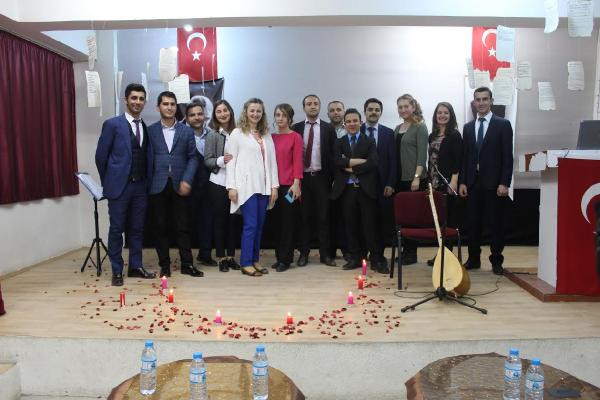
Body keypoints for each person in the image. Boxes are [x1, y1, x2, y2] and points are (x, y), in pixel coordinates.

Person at [95, 83, 156, 286]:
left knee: (137, 229)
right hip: (119, 188)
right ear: (126, 100)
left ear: (144, 102)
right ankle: (117, 270)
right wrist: (109, 182)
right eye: (134, 98)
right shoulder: (112, 124)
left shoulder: (145, 127)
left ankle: (135, 267)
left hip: (140, 187)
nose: (137, 102)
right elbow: (100, 157)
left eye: (141, 99)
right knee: (116, 229)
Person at [459, 87, 513, 275]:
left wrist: (504, 182)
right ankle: (473, 259)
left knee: (495, 224)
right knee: (472, 224)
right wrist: (463, 181)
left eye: (485, 99)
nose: (481, 103)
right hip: (472, 183)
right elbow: (465, 157)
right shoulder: (468, 127)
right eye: (478, 99)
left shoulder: (503, 125)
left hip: (495, 184)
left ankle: (496, 261)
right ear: (474, 102)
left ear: (491, 101)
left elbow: (507, 157)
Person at [147, 91, 201, 278]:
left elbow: (193, 157)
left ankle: (187, 264)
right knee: (160, 226)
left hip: (180, 184)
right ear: (158, 107)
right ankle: (164, 264)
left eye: (172, 104)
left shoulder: (186, 131)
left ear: (176, 107)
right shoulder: (150, 131)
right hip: (157, 185)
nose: (169, 107)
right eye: (165, 104)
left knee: (183, 226)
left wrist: (187, 179)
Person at [226, 98, 279, 277]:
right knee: (250, 225)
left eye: (258, 111)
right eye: (252, 110)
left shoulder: (266, 134)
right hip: (246, 187)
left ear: (262, 114)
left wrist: (274, 186)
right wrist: (231, 187)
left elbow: (272, 162)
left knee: (260, 226)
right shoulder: (237, 133)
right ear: (246, 112)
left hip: (264, 187)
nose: (255, 114)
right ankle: (246, 262)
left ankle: (255, 260)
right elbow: (230, 161)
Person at [331, 109, 385, 271]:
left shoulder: (369, 141)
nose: (352, 124)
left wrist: (349, 164)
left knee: (370, 226)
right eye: (348, 121)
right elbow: (337, 162)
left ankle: (376, 259)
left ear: (360, 123)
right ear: (344, 124)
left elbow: (373, 162)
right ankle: (355, 258)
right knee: (350, 225)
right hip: (347, 190)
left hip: (365, 189)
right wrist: (360, 161)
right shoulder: (339, 142)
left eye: (355, 121)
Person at [292, 94, 337, 267]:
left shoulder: (328, 128)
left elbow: (333, 156)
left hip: (322, 179)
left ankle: (325, 255)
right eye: (309, 104)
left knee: (323, 218)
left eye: (316, 103)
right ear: (304, 107)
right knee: (304, 218)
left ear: (319, 106)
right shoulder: (296, 128)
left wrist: (332, 179)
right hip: (302, 180)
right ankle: (304, 253)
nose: (312, 106)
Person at [204, 100, 241, 272]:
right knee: (219, 220)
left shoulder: (239, 132)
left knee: (233, 221)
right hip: (218, 182)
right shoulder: (212, 134)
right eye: (219, 111)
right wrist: (221, 160)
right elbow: (207, 160)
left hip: (236, 183)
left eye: (225, 110)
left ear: (230, 112)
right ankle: (221, 258)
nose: (223, 114)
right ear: (215, 115)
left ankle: (231, 257)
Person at [360, 98, 396, 272]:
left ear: (380, 113)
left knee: (381, 223)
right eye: (370, 109)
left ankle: (378, 257)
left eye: (377, 110)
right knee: (364, 222)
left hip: (382, 185)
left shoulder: (388, 133)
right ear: (365, 112)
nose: (373, 112)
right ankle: (361, 255)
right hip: (361, 184)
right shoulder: (356, 129)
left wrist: (390, 183)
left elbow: (393, 161)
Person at [426, 102, 463, 266]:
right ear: (435, 116)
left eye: (446, 113)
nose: (442, 115)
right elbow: (431, 160)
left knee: (448, 222)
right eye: (439, 113)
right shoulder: (432, 135)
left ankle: (447, 257)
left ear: (451, 115)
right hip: (433, 183)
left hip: (447, 183)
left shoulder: (454, 135)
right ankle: (441, 254)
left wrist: (454, 181)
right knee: (438, 221)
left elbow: (458, 160)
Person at [394, 93, 429, 265]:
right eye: (400, 107)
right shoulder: (397, 128)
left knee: (413, 218)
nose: (403, 110)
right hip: (400, 178)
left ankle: (411, 253)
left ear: (413, 107)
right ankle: (404, 250)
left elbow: (422, 155)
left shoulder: (420, 127)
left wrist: (416, 177)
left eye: (406, 106)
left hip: (414, 179)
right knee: (403, 217)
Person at [270, 104, 303, 272]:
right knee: (276, 223)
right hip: (273, 187)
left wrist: (296, 184)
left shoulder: (295, 137)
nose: (280, 118)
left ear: (290, 118)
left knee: (287, 223)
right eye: (278, 115)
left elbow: (298, 162)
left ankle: (286, 259)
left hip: (290, 188)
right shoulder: (271, 137)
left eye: (284, 115)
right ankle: (279, 257)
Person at [186, 100, 217, 267]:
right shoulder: (182, 135)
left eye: (199, 114)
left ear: (205, 115)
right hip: (188, 186)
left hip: (208, 186)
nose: (197, 117)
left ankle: (205, 255)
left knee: (207, 221)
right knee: (186, 223)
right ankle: (186, 258)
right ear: (187, 118)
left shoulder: (213, 134)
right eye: (192, 115)